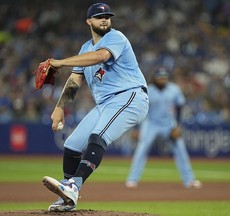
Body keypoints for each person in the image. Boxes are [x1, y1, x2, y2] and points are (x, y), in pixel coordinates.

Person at [40, 3, 149, 212]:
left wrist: (60, 62)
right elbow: (75, 80)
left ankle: (74, 186)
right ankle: (67, 197)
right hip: (106, 103)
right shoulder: (85, 48)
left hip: (130, 96)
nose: (105, 19)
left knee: (98, 136)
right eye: (99, 17)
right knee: (72, 144)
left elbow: (101, 57)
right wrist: (59, 107)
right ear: (89, 21)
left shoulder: (116, 37)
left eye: (107, 16)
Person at [126, 67, 202, 189]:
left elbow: (179, 107)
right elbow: (141, 110)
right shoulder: (148, 90)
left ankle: (189, 180)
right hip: (151, 123)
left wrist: (177, 125)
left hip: (168, 123)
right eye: (160, 77)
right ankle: (132, 179)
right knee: (142, 149)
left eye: (164, 77)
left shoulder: (174, 89)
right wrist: (137, 128)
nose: (162, 79)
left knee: (180, 149)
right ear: (154, 78)